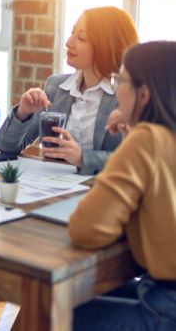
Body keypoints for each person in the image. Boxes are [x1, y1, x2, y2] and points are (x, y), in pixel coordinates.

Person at [69, 41, 176, 329]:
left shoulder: (148, 139)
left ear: (144, 94)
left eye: (121, 80)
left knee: (52, 313)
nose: (116, 89)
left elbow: (87, 229)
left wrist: (135, 136)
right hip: (162, 293)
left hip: (166, 306)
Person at [0, 6, 139, 175]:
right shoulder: (57, 86)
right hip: (53, 187)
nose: (69, 42)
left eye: (81, 38)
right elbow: (6, 146)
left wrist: (83, 157)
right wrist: (23, 113)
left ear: (106, 46)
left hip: (104, 191)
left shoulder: (130, 97)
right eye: (72, 33)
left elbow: (138, 162)